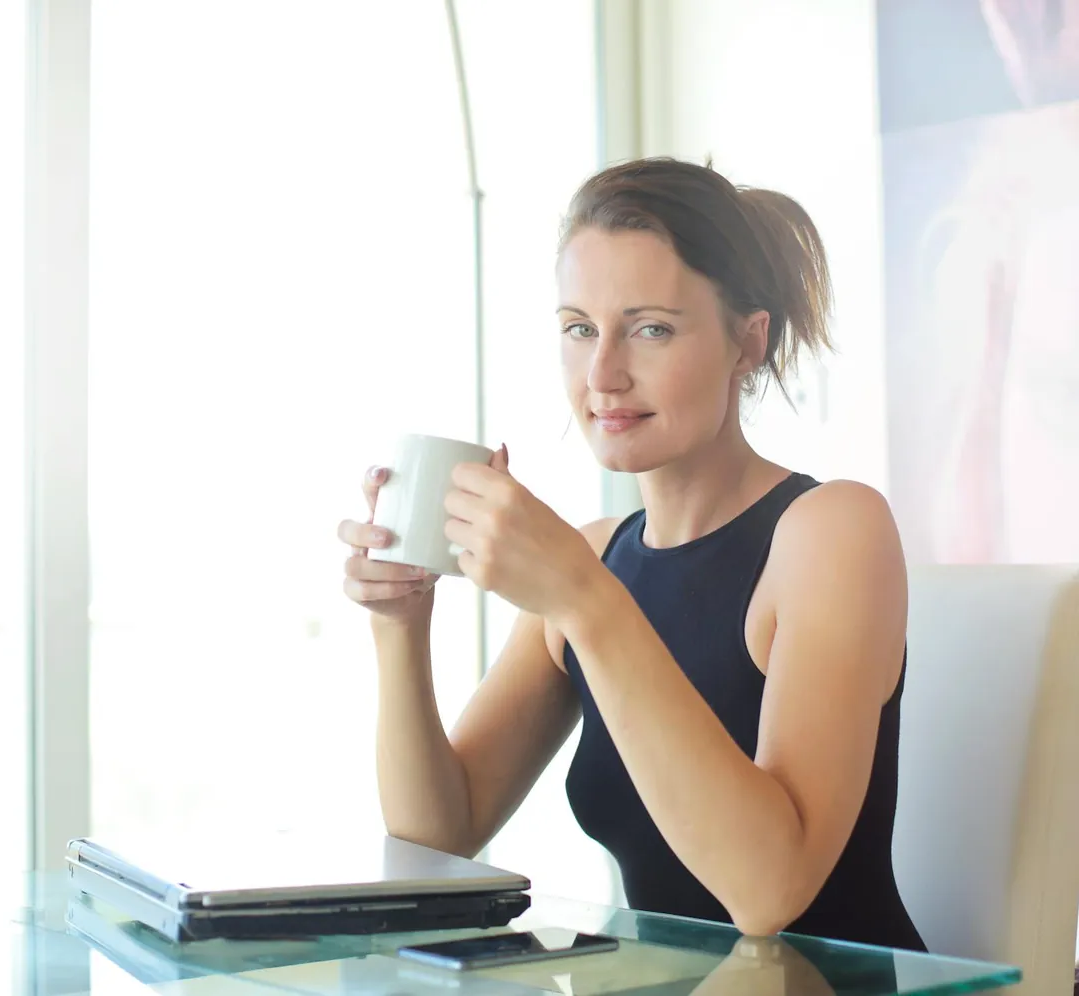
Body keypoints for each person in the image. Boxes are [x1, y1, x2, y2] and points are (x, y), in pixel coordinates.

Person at [337, 157, 925, 951]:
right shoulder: (596, 556)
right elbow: (437, 836)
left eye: (651, 328)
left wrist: (582, 599)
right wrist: (400, 628)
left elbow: (769, 891)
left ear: (747, 342)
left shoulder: (831, 531)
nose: (603, 374)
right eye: (580, 329)